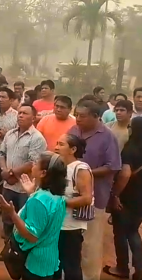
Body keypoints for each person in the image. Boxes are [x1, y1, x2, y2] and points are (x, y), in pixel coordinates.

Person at [68, 100, 121, 280]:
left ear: (96, 117)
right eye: (76, 115)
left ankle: (90, 277)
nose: (78, 119)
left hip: (94, 198)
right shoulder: (73, 131)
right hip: (70, 195)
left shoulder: (107, 136)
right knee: (72, 240)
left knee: (90, 242)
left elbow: (113, 166)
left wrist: (84, 172)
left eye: (82, 116)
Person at [0, 151, 67, 280]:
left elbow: (32, 235)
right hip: (50, 258)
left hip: (36, 263)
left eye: (36, 164)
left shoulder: (39, 200)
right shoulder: (58, 196)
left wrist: (12, 214)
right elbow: (46, 218)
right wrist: (32, 193)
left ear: (43, 173)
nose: (32, 166)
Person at [0, 104, 47, 261]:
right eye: (19, 113)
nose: (20, 115)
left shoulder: (37, 138)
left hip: (25, 188)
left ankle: (23, 254)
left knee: (24, 221)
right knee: (7, 220)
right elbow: (1, 153)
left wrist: (11, 173)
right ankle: (7, 251)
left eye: (25, 113)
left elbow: (33, 162)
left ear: (33, 117)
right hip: (8, 185)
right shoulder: (10, 134)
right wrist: (4, 170)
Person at [104, 117, 142, 280]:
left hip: (128, 197)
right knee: (134, 231)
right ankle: (139, 269)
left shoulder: (130, 149)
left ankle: (122, 268)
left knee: (121, 233)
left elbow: (125, 173)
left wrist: (115, 195)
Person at [54, 134, 94, 280]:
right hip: (56, 224)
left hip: (70, 227)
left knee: (70, 265)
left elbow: (86, 198)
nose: (56, 147)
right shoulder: (59, 166)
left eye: (61, 144)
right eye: (57, 143)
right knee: (54, 264)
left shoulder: (80, 168)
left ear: (73, 149)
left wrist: (58, 203)